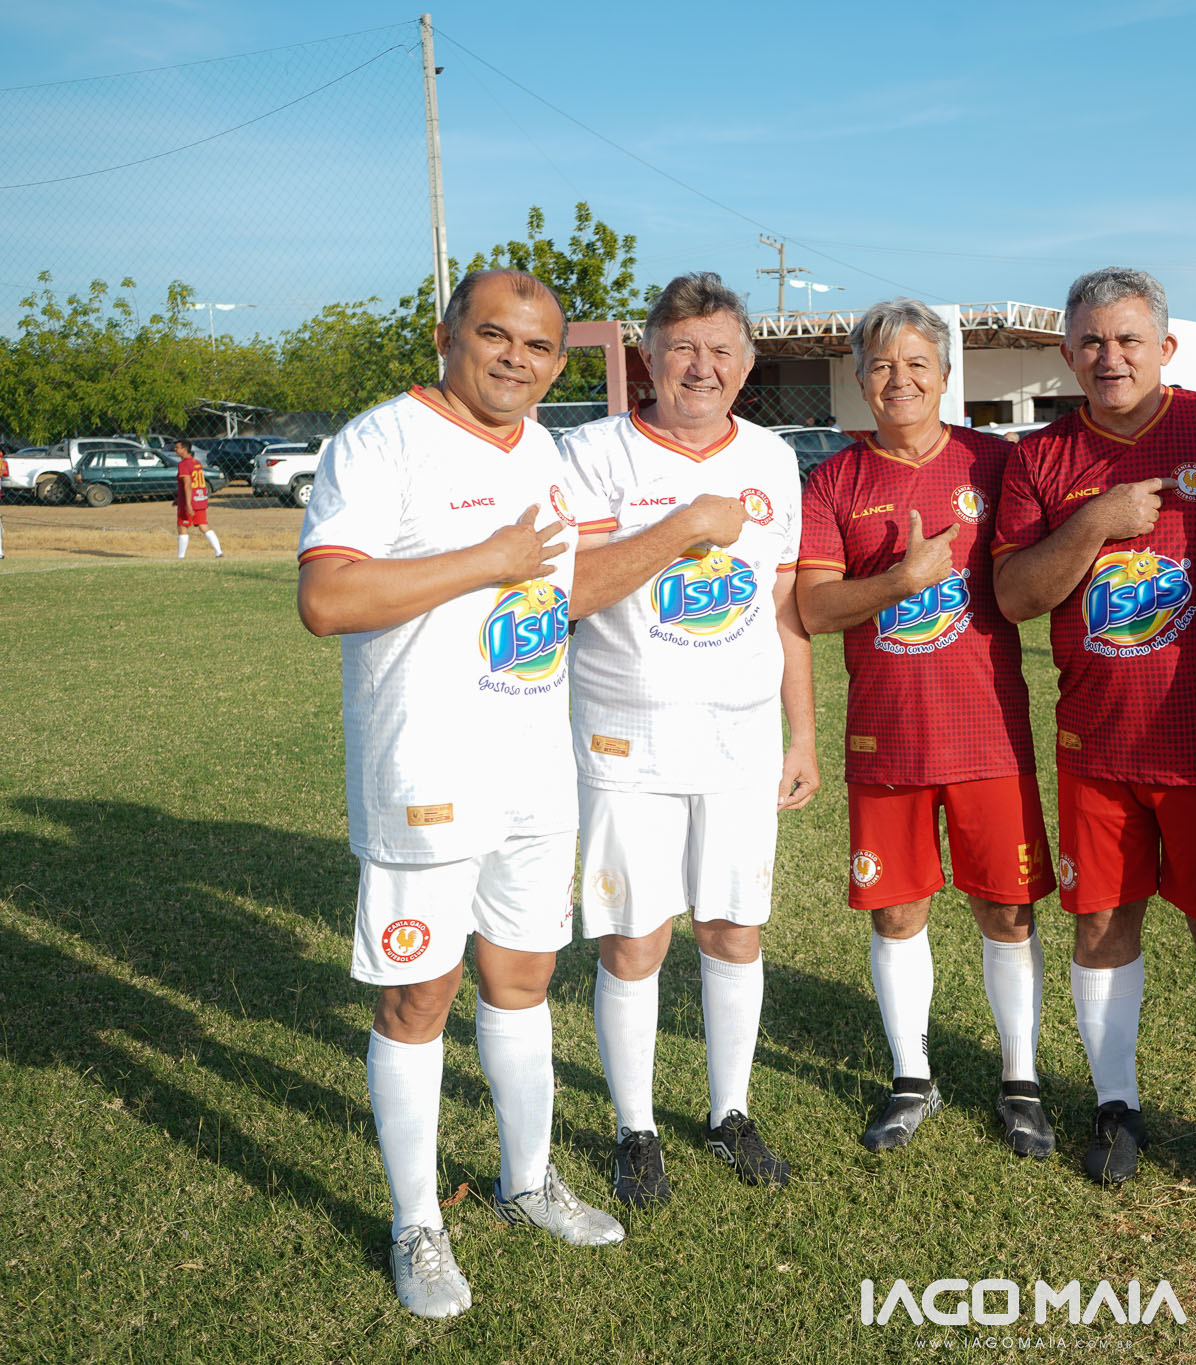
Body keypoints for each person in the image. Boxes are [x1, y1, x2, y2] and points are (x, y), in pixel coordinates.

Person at [296, 269, 623, 1321]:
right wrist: (484, 559)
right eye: (494, 335)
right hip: (425, 771)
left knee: (523, 979)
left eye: (537, 346)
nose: (515, 359)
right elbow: (326, 597)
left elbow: (558, 589)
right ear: (447, 337)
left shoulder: (544, 452)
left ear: (558, 363)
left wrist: (673, 540)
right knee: (419, 997)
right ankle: (416, 1221)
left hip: (535, 764)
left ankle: (528, 1180)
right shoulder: (381, 440)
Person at [992, 267, 1196, 1193]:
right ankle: (1116, 1104)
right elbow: (1015, 596)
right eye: (1091, 341)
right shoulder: (1042, 457)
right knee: (1102, 923)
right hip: (1098, 746)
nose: (1108, 357)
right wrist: (1097, 523)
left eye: (1127, 339)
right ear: (1067, 352)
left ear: (1165, 346)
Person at [556, 272, 817, 1200]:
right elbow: (571, 592)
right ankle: (636, 1127)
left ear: (746, 366)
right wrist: (682, 529)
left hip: (742, 738)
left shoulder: (774, 459)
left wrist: (801, 733)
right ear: (648, 358)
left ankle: (728, 1111)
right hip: (627, 735)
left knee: (734, 926)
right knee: (635, 937)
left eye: (720, 351)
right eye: (682, 349)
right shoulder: (593, 453)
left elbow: (783, 608)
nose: (701, 368)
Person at [796, 299, 1056, 1157]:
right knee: (896, 911)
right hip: (887, 737)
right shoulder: (833, 481)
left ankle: (1020, 1080)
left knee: (1007, 911)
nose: (899, 379)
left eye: (916, 363)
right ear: (859, 378)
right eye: (881, 365)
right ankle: (912, 1076)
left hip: (987, 734)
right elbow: (815, 609)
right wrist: (900, 581)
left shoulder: (997, 462)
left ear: (945, 374)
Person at [174, 439, 223, 558]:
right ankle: (219, 552)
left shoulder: (184, 464)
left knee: (182, 526)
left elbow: (187, 484)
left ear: (184, 449)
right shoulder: (196, 462)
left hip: (189, 501)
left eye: (177, 447)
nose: (175, 449)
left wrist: (188, 504)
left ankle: (181, 556)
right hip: (200, 499)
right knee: (203, 525)